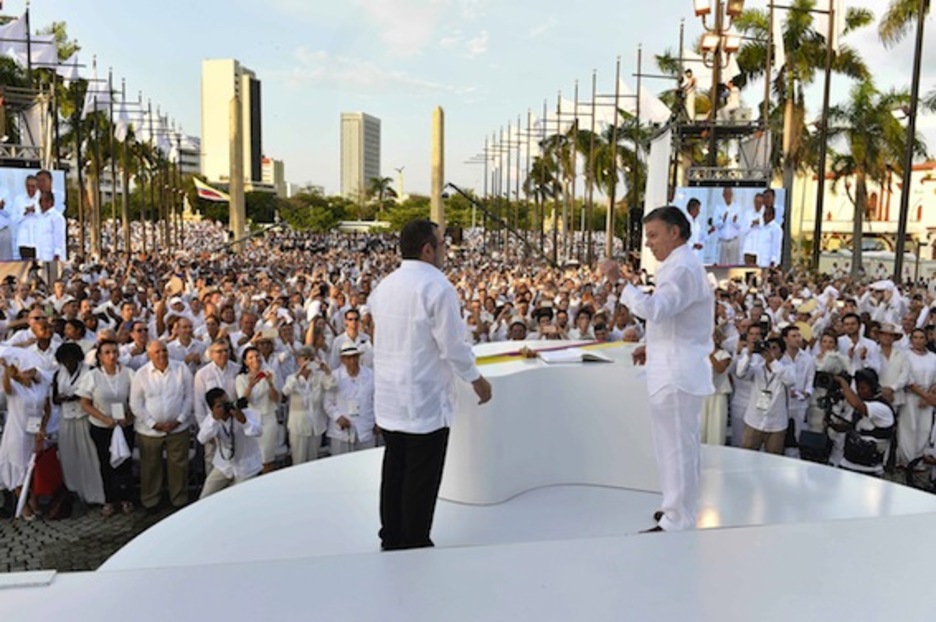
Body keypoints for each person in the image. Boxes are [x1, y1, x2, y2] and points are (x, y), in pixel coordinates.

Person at [370, 219, 492, 551]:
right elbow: (452, 345)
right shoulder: (437, 287)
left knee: (394, 470)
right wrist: (476, 380)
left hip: (391, 398)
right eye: (442, 244)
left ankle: (391, 537)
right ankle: (414, 542)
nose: (445, 250)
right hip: (423, 398)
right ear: (427, 250)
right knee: (420, 478)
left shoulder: (385, 286)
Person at [601, 205, 714, 532]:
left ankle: (678, 519)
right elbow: (677, 322)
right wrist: (651, 345)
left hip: (677, 372)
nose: (648, 243)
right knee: (679, 447)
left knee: (676, 448)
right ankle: (676, 509)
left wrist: (619, 283)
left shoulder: (682, 269)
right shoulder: (682, 266)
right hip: (673, 366)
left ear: (675, 233)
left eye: (653, 235)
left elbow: (656, 309)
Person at [129, 340, 194, 512]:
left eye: (164, 350)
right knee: (150, 467)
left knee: (179, 466)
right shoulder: (141, 374)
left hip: (178, 428)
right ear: (149, 355)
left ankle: (179, 499)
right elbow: (135, 404)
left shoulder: (181, 369)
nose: (161, 355)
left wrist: (179, 419)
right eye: (157, 352)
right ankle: (151, 500)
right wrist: (153, 423)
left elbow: (189, 396)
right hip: (149, 431)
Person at [78, 339, 136, 516]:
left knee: (125, 463)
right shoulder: (93, 376)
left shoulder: (128, 373)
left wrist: (129, 416)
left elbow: (135, 399)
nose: (112, 356)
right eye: (107, 352)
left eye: (114, 352)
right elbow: (85, 403)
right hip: (102, 427)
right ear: (100, 357)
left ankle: (126, 498)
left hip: (124, 425)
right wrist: (104, 418)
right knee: (105, 463)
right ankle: (109, 499)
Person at [52, 342, 104, 507]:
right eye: (65, 360)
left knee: (90, 455)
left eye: (71, 359)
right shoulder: (58, 374)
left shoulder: (89, 371)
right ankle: (75, 493)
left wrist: (74, 397)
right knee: (69, 457)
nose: (68, 363)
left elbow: (93, 394)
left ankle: (95, 495)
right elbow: (54, 398)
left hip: (84, 418)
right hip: (66, 419)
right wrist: (61, 398)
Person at [0, 360, 50, 520]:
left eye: (29, 366)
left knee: (33, 467)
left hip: (34, 432)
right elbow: (6, 388)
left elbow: (47, 408)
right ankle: (24, 505)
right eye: (23, 367)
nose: (27, 369)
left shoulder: (40, 386)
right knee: (18, 468)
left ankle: (33, 500)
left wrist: (43, 427)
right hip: (17, 432)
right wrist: (7, 368)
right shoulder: (14, 386)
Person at [197, 387, 262, 499]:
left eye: (226, 402)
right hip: (224, 465)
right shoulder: (212, 419)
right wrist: (214, 419)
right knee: (205, 496)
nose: (226, 406)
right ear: (212, 409)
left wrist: (244, 421)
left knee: (239, 499)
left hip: (246, 465)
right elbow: (202, 438)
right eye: (220, 405)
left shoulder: (245, 412)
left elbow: (258, 432)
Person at [281, 346, 335, 465]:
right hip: (299, 426)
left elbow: (332, 385)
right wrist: (299, 373)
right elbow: (286, 391)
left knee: (313, 461)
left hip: (316, 425)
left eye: (311, 359)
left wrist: (326, 370)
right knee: (299, 461)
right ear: (298, 360)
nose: (308, 362)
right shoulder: (292, 378)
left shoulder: (319, 377)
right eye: (304, 358)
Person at [324, 343, 376, 454]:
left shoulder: (370, 375)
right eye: (348, 358)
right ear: (343, 360)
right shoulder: (335, 376)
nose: (352, 361)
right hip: (342, 432)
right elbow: (328, 403)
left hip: (365, 428)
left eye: (354, 357)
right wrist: (338, 417)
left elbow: (376, 400)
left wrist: (377, 422)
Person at [235, 345, 280, 473]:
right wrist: (250, 385)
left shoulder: (269, 374)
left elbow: (276, 398)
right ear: (245, 362)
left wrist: (270, 383)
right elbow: (243, 401)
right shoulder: (241, 378)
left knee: (267, 456)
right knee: (254, 457)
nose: (255, 359)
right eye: (251, 357)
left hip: (268, 417)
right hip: (252, 420)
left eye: (257, 356)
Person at [35, 190, 66, 262]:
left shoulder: (56, 217)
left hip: (53, 256)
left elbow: (59, 237)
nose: (40, 204)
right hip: (41, 256)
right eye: (40, 201)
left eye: (43, 201)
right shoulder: (40, 217)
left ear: (50, 202)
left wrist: (57, 254)